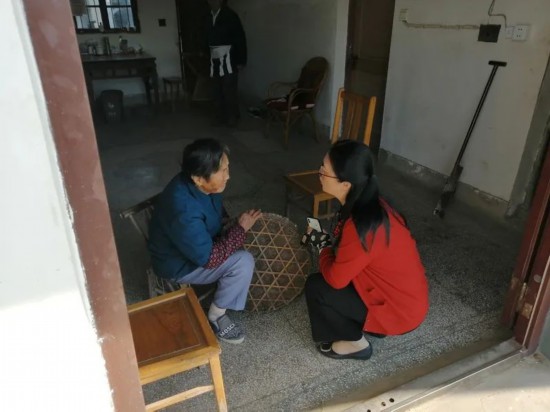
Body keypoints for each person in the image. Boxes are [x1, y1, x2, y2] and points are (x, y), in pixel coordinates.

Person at [304, 140, 429, 360]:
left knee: (318, 286)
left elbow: (336, 279)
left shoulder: (362, 227)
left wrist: (323, 246)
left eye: (325, 171)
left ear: (346, 184)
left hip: (399, 313)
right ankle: (371, 324)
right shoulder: (372, 204)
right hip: (407, 301)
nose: (319, 173)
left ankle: (355, 344)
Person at [148, 138, 262, 344]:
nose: (228, 176)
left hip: (194, 245)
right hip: (178, 264)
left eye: (227, 168)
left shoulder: (203, 185)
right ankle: (217, 316)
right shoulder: (184, 210)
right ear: (199, 178)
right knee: (244, 261)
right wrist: (240, 229)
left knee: (237, 243)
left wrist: (229, 224)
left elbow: (214, 211)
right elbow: (210, 259)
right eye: (223, 171)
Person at [205, 0, 247, 127]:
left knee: (229, 88)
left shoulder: (230, 15)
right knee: (216, 89)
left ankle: (233, 116)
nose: (212, 2)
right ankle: (220, 116)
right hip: (214, 58)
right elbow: (204, 36)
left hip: (229, 57)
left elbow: (240, 38)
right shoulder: (208, 16)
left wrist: (241, 60)